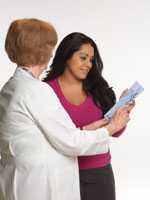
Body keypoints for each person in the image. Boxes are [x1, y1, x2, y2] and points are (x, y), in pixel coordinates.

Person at [0, 19, 132, 200]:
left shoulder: (12, 87)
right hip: (37, 186)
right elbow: (71, 142)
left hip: (25, 183)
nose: (51, 52)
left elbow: (52, 134)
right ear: (42, 52)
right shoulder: (37, 90)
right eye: (49, 47)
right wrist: (110, 127)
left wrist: (91, 128)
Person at [44, 32, 135, 200]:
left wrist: (122, 111)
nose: (88, 64)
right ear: (67, 55)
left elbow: (114, 132)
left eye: (91, 60)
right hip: (61, 174)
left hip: (99, 173)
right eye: (83, 57)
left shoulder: (99, 88)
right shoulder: (45, 91)